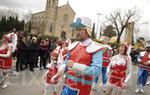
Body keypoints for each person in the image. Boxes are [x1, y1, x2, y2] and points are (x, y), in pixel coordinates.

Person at [53, 16, 104, 95]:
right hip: (66, 87)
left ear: (88, 31)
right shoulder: (73, 46)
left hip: (82, 90)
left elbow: (96, 70)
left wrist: (76, 66)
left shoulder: (95, 49)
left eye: (80, 29)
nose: (77, 32)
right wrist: (62, 69)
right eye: (76, 29)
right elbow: (67, 61)